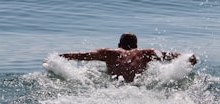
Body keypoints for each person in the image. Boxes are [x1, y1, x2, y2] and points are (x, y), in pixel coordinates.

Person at [59, 33, 198, 82]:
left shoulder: (109, 53)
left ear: (119, 44)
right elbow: (171, 55)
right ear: (136, 45)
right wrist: (188, 58)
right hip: (137, 87)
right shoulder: (146, 53)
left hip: (117, 86)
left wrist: (59, 57)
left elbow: (82, 55)